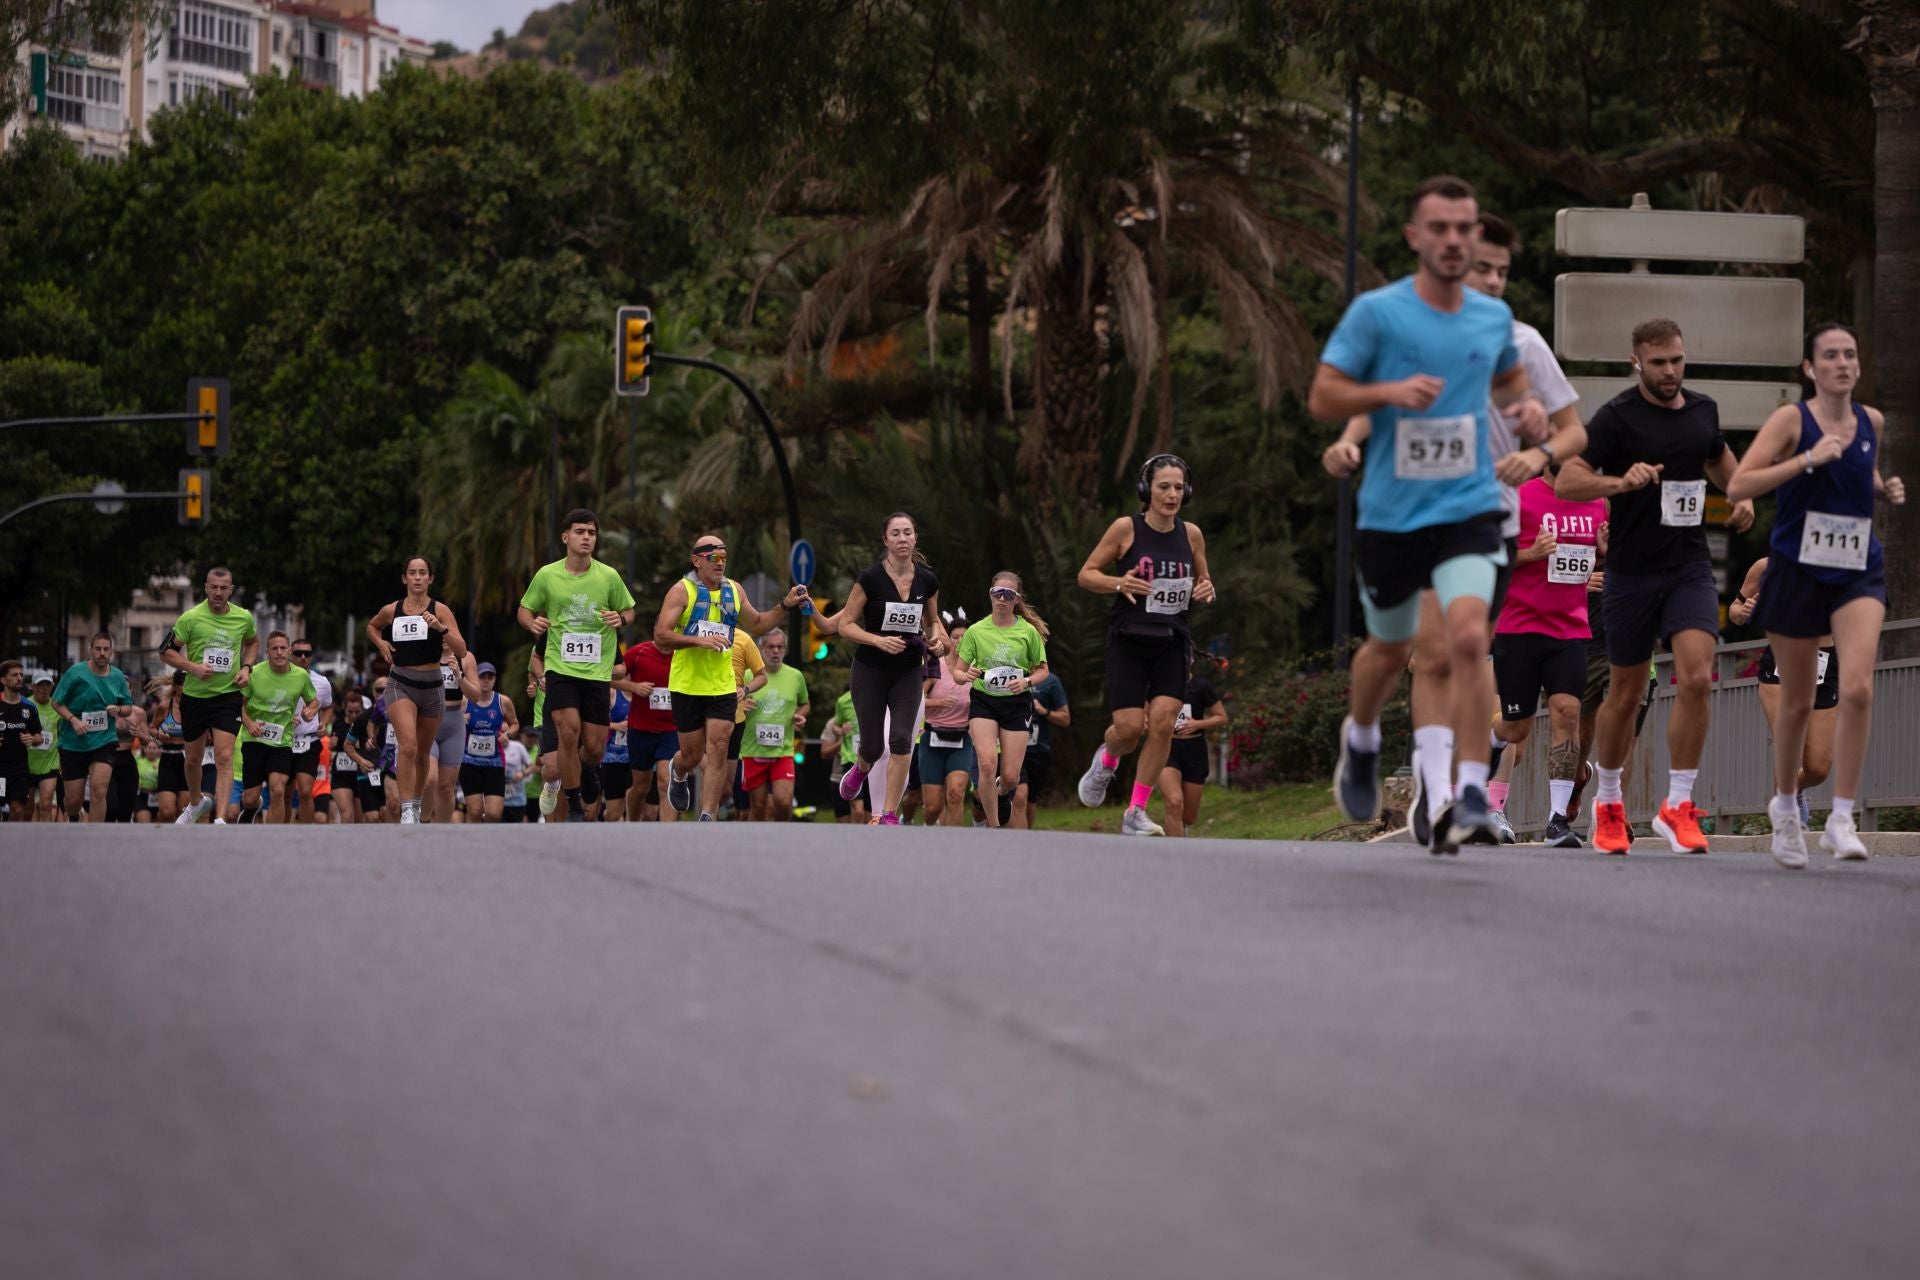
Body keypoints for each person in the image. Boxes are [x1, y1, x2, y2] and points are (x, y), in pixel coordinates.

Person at [1309, 175, 1543, 853]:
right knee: (1388, 650)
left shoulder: (1493, 319)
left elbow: (1507, 382)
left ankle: (1470, 790)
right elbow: (1324, 395)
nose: (1451, 240)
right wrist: (1388, 392)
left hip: (1469, 507)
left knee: (1469, 637)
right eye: (1437, 228)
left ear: (1476, 237)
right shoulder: (1377, 314)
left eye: (1463, 229)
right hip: (1391, 515)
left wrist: (1524, 411)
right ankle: (1361, 740)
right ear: (1415, 236)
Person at [1556, 318, 1756, 855]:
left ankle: (1678, 805)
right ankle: (1611, 803)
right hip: (1631, 572)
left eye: (1678, 360)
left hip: (1688, 566)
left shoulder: (1702, 410)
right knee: (1625, 693)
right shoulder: (1618, 418)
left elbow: (1714, 454)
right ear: (1637, 362)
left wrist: (1739, 492)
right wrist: (1619, 482)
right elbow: (1567, 478)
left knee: (1696, 676)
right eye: (1659, 362)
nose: (1670, 371)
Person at [1727, 322, 1904, 867]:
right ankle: (1784, 806)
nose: (1843, 363)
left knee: (1857, 689)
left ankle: (1842, 818)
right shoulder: (1791, 420)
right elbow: (1739, 485)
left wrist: (1882, 487)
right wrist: (1806, 459)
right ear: (1810, 368)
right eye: (1831, 355)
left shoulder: (1870, 421)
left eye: (1850, 354)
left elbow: (1859, 473)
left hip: (1856, 567)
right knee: (1798, 703)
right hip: (1799, 569)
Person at [1075, 454, 1215, 838]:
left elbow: (1204, 579)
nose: (1172, 495)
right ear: (1146, 490)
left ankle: (1135, 810)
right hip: (1128, 640)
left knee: (1165, 722)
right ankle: (1106, 760)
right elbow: (1086, 575)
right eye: (1163, 486)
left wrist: (1207, 588)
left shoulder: (1192, 535)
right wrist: (1120, 583)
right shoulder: (1126, 529)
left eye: (1178, 487)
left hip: (1172, 639)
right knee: (1130, 729)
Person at [1485, 474, 1609, 847]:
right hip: (1519, 627)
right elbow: (1490, 555)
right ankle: (1490, 741)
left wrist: (1603, 551)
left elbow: (1586, 559)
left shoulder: (1598, 502)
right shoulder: (1520, 496)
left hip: (1570, 630)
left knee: (1567, 713)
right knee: (1516, 728)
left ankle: (1557, 820)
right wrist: (1530, 554)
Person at [653, 532, 809, 822]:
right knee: (692, 752)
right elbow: (661, 637)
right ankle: (679, 770)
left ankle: (707, 815)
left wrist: (785, 605)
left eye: (724, 557)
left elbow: (759, 624)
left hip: (723, 684)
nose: (720, 563)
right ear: (697, 560)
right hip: (687, 684)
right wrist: (700, 641)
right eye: (714, 558)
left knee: (719, 745)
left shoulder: (734, 591)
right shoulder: (682, 590)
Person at [831, 514, 953, 826]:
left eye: (907, 533)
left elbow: (932, 622)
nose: (902, 539)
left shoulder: (927, 581)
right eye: (895, 533)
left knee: (901, 740)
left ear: (915, 538)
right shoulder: (869, 578)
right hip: (870, 670)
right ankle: (860, 768)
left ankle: (887, 814)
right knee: (873, 746)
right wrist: (877, 641)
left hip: (908, 671)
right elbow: (845, 625)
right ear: (885, 540)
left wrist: (938, 642)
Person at [518, 510, 636, 822]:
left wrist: (620, 618)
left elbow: (629, 611)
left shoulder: (608, 576)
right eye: (580, 531)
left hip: (597, 674)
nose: (586, 537)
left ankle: (586, 769)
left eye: (592, 532)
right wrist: (532, 624)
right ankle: (573, 805)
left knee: (595, 748)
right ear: (565, 537)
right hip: (560, 669)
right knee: (567, 733)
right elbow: (524, 610)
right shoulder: (547, 575)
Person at [1730, 558, 1835, 830]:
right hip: (1782, 656)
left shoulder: (1839, 561)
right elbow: (1735, 608)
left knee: (1819, 767)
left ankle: (1796, 789)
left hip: (1827, 660)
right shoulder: (1767, 566)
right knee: (1789, 744)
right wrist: (1745, 612)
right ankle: (1786, 823)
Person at [369, 556, 469, 825]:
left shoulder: (441, 609)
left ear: (430, 579)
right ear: (404, 578)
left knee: (423, 753)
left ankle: (414, 800)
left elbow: (461, 650)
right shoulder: (393, 610)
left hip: (432, 686)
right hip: (401, 683)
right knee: (409, 746)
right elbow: (372, 626)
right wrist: (380, 644)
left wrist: (440, 628)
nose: (417, 577)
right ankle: (407, 809)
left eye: (422, 573)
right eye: (412, 573)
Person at [953, 572, 1051, 831]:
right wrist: (966, 675)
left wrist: (1027, 682)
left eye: (1008, 594)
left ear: (1016, 599)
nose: (1002, 599)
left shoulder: (1027, 632)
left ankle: (1000, 793)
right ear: (990, 594)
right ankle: (993, 826)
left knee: (1009, 777)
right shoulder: (976, 631)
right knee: (986, 763)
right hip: (984, 700)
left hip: (1016, 703)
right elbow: (958, 671)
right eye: (998, 593)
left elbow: (1043, 671)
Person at [163, 566, 258, 824]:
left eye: (223, 588)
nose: (218, 592)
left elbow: (252, 642)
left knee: (224, 756)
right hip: (195, 697)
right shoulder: (190, 618)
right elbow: (166, 652)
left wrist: (247, 668)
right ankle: (196, 803)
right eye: (213, 587)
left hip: (227, 697)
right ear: (205, 588)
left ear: (231, 590)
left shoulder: (243, 617)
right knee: (192, 759)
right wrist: (192, 667)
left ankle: (220, 818)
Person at [236, 631, 319, 825]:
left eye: (283, 648)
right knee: (250, 797)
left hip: (282, 741)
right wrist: (249, 723)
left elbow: (314, 702)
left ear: (289, 650)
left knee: (278, 789)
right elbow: (239, 704)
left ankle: (272, 835)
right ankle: (252, 809)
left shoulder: (300, 676)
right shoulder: (255, 673)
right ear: (267, 652)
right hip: (254, 739)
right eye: (275, 648)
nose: (279, 652)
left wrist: (310, 711)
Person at [52, 633, 135, 823]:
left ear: (111, 652)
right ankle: (75, 815)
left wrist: (119, 709)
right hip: (74, 743)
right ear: (90, 651)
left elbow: (128, 707)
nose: (102, 653)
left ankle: (94, 836)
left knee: (99, 790)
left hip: (103, 742)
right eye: (98, 649)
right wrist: (73, 719)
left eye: (106, 649)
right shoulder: (76, 673)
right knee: (73, 800)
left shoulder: (117, 677)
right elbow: (56, 702)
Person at [737, 629, 809, 821]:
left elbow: (805, 704)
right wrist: (741, 706)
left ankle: (783, 837)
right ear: (761, 649)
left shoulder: (795, 676)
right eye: (771, 647)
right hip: (753, 750)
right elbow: (728, 705)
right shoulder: (746, 676)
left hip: (783, 750)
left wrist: (799, 716)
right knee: (759, 807)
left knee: (783, 802)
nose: (776, 651)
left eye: (780, 647)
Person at [918, 618, 976, 827]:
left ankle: (955, 847)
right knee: (933, 807)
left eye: (965, 637)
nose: (961, 641)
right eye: (956, 637)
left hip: (961, 739)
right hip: (933, 737)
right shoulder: (936, 666)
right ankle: (930, 826)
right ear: (949, 640)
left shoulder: (976, 672)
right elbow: (915, 702)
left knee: (955, 794)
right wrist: (939, 702)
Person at [615, 638, 679, 823]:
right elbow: (609, 678)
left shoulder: (682, 654)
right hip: (640, 729)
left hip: (670, 730)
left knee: (666, 781)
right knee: (641, 787)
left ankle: (669, 832)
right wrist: (633, 686)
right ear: (657, 630)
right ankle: (633, 823)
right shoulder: (638, 652)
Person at [429, 641, 482, 823]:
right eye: (439, 634)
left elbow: (476, 695)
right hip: (429, 721)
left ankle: (442, 831)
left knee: (446, 787)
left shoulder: (465, 657)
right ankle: (424, 821)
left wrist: (459, 677)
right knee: (430, 780)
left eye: (446, 632)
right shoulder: (425, 653)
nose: (443, 638)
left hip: (454, 724)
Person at [460, 662, 517, 823]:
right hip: (469, 762)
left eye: (490, 677)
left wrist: (508, 734)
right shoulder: (465, 701)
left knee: (494, 814)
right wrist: (459, 720)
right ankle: (473, 844)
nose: (486, 681)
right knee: (475, 811)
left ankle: (489, 842)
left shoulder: (503, 701)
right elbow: (447, 722)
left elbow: (515, 724)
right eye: (482, 676)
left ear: (495, 680)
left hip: (495, 763)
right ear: (475, 678)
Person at [1014, 668, 1070, 829]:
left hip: (1038, 751)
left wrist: (1045, 712)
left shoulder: (1051, 681)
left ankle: (1027, 839)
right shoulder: (1013, 674)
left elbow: (1065, 718)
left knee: (1030, 800)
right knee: (1019, 795)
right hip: (1013, 749)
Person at [285, 639, 332, 825]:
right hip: (284, 740)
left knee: (305, 791)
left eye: (307, 654)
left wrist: (324, 725)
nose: (303, 657)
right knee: (284, 792)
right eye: (298, 654)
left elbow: (327, 707)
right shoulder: (280, 678)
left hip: (309, 741)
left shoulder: (322, 683)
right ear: (290, 654)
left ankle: (306, 832)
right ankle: (280, 833)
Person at [0, 659, 47, 821]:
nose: (19, 678)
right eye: (14, 675)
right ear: (3, 680)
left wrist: (32, 738)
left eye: (21, 674)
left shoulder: (29, 707)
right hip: (0, 770)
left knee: (18, 810)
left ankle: (11, 843)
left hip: (19, 770)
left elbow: (40, 736)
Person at [822, 689, 867, 824]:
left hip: (866, 771)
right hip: (839, 777)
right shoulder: (832, 724)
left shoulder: (871, 718)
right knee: (844, 823)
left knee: (864, 815)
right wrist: (842, 741)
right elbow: (824, 753)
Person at [327, 688, 365, 825]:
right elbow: (330, 744)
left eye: (357, 712)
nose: (354, 715)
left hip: (360, 776)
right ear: (344, 708)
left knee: (360, 819)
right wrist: (332, 744)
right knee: (347, 815)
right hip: (341, 776)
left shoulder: (366, 725)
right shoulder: (337, 724)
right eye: (350, 712)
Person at [28, 671, 61, 821]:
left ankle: (45, 839)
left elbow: (64, 734)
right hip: (26, 765)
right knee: (27, 809)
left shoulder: (57, 707)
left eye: (47, 685)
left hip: (50, 764)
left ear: (52, 687)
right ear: (32, 687)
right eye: (40, 685)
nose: (44, 688)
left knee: (46, 805)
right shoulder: (25, 705)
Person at [501, 726, 534, 823]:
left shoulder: (518, 747)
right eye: (501, 732)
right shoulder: (491, 747)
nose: (504, 735)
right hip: (497, 799)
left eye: (507, 732)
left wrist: (522, 773)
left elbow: (531, 767)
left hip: (517, 798)